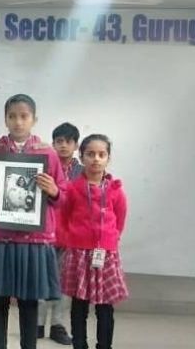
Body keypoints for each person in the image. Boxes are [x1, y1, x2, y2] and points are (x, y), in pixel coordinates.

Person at [0, 94, 66, 349]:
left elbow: (63, 196)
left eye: (24, 116)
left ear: (34, 119)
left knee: (29, 302)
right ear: (5, 119)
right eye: (12, 116)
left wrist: (53, 191)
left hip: (34, 240)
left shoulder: (47, 153)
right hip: (1, 238)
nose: (18, 122)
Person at [59, 134, 128, 349]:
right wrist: (73, 238)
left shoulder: (115, 190)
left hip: (105, 255)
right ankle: (79, 344)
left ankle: (104, 345)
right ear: (82, 157)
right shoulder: (73, 189)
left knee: (105, 307)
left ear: (108, 158)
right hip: (79, 253)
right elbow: (63, 217)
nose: (96, 159)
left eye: (101, 154)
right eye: (90, 154)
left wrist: (109, 240)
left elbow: (120, 219)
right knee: (79, 305)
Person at [37, 122, 83, 345]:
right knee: (40, 279)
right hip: (45, 232)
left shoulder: (83, 172)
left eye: (68, 141)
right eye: (59, 141)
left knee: (64, 283)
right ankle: (37, 324)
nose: (63, 145)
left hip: (71, 235)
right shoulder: (44, 166)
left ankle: (58, 325)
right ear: (53, 143)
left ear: (76, 145)